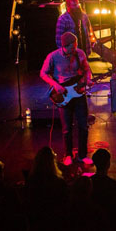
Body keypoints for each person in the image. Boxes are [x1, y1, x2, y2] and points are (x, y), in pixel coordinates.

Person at [40, 32, 93, 165]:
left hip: (79, 92)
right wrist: (55, 85)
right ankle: (68, 155)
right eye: (72, 47)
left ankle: (82, 155)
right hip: (63, 94)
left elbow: (87, 70)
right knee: (67, 128)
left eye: (76, 46)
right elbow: (43, 73)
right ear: (65, 46)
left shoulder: (79, 53)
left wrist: (89, 79)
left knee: (83, 126)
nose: (74, 49)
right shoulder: (53, 56)